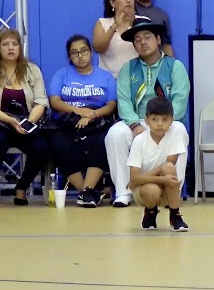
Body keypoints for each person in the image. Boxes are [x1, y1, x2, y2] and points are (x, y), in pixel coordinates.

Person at [105, 17, 191, 208]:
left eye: (147, 37)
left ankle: (172, 193)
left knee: (179, 131)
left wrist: (162, 123)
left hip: (166, 121)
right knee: (115, 134)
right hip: (138, 121)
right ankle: (123, 192)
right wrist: (135, 125)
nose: (142, 42)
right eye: (137, 39)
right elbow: (124, 102)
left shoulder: (175, 67)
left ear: (158, 39)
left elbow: (179, 103)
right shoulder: (128, 69)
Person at [0, 29, 49, 208]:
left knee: (42, 146)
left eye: (15, 44)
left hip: (25, 123)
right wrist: (9, 121)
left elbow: (41, 101)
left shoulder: (32, 70)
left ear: (20, 48)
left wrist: (28, 122)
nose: (10, 48)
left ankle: (21, 187)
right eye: (5, 44)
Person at [47, 35, 119, 207]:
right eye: (74, 53)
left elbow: (111, 104)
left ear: (91, 52)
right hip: (68, 121)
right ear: (69, 57)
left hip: (97, 121)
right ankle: (87, 192)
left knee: (103, 140)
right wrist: (79, 111)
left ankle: (86, 192)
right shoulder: (61, 75)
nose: (80, 55)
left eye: (84, 51)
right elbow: (55, 101)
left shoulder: (105, 77)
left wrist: (92, 115)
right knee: (57, 142)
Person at [128, 96, 189, 231]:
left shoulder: (175, 134)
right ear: (146, 121)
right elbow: (135, 178)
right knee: (152, 190)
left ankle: (175, 215)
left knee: (168, 167)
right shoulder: (139, 141)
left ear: (172, 120)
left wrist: (138, 179)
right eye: (155, 119)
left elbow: (168, 166)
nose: (160, 124)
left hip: (166, 185)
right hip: (144, 188)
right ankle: (150, 212)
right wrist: (159, 178)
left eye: (165, 119)